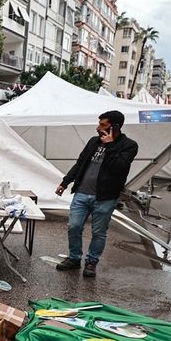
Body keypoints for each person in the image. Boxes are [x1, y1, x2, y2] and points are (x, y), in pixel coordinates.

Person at [55, 110, 138, 278]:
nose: (98, 128)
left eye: (102, 125)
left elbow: (119, 168)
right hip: (81, 193)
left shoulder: (129, 145)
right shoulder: (93, 141)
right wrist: (65, 182)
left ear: (115, 127)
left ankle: (91, 262)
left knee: (98, 232)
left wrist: (110, 145)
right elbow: (80, 164)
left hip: (105, 198)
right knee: (74, 227)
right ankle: (74, 258)